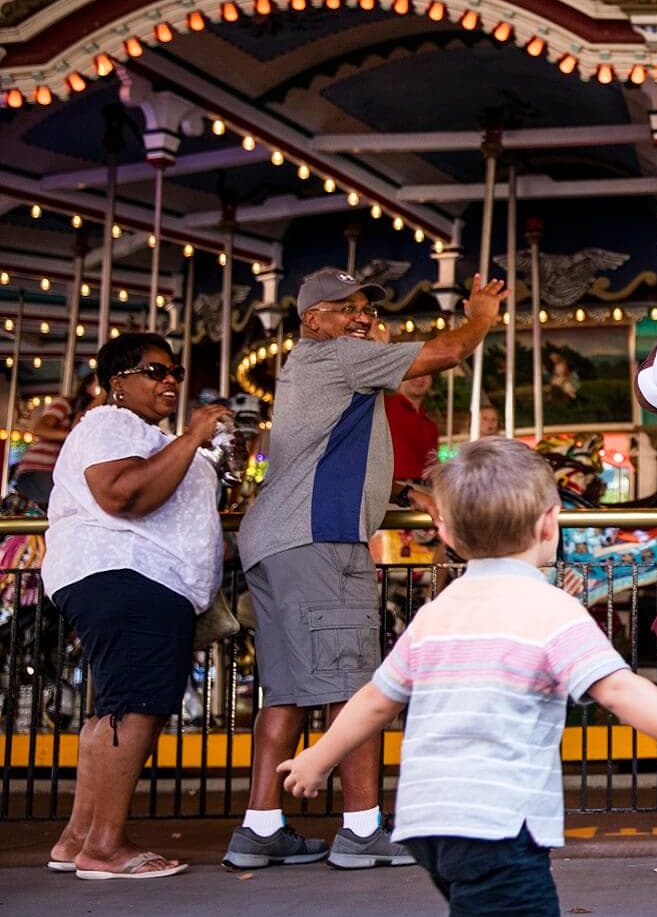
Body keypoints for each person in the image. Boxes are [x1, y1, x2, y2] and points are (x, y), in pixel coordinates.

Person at [276, 438, 657, 917]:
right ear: (549, 522)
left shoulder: (437, 613)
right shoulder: (550, 611)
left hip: (427, 819)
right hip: (498, 822)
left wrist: (318, 757)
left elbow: (375, 700)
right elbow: (621, 691)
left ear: (445, 532)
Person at [225, 267, 507, 870]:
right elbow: (451, 350)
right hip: (319, 542)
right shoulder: (340, 358)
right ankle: (360, 830)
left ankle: (262, 825)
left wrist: (408, 493)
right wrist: (482, 311)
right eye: (341, 307)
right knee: (357, 688)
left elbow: (331, 457)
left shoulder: (316, 370)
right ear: (312, 320)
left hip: (275, 543)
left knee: (288, 690)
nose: (360, 317)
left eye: (364, 308)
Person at [40, 335, 233, 879]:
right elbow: (122, 493)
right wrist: (195, 435)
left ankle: (78, 837)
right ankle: (106, 846)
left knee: (117, 706)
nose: (170, 380)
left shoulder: (145, 434)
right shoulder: (109, 423)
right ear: (118, 380)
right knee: (137, 705)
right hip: (129, 574)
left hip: (140, 579)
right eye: (155, 370)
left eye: (175, 370)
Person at [12, 375, 100, 508]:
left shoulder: (99, 413)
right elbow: (40, 429)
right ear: (87, 386)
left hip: (57, 472)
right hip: (40, 468)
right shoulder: (66, 404)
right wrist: (73, 435)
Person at [384, 374, 439, 485]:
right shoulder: (384, 406)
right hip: (393, 490)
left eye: (427, 373)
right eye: (415, 373)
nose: (419, 378)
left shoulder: (430, 425)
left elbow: (432, 464)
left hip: (426, 490)